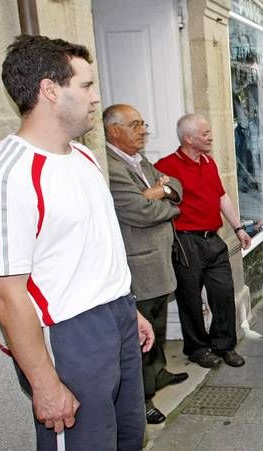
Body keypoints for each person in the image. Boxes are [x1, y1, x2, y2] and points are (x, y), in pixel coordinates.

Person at [0, 35, 153, 449]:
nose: (96, 98)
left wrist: (127, 309)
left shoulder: (84, 158)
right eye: (86, 86)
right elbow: (5, 293)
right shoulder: (8, 172)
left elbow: (97, 248)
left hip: (115, 316)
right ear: (49, 90)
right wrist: (45, 385)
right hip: (69, 335)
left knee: (128, 438)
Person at [104, 103, 189, 424]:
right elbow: (139, 211)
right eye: (135, 124)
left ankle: (158, 373)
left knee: (157, 325)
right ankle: (142, 399)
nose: (143, 130)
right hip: (139, 266)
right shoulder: (111, 167)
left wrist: (161, 190)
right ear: (114, 131)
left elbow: (176, 187)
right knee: (141, 335)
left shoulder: (139, 160)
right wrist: (163, 201)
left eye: (143, 123)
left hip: (159, 261)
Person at [154, 113, 251, 369]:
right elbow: (154, 204)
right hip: (186, 242)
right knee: (190, 299)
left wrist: (238, 228)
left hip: (213, 239)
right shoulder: (166, 166)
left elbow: (222, 197)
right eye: (205, 133)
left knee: (223, 293)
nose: (210, 137)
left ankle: (224, 346)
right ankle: (197, 348)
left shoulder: (209, 162)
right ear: (188, 138)